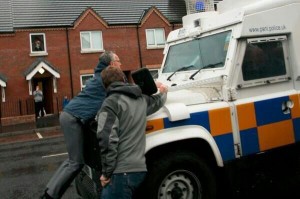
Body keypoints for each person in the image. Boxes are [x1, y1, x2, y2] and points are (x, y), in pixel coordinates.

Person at [40, 51, 122, 199]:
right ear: (111, 64)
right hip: (73, 118)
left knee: (72, 160)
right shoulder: (105, 80)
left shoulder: (99, 77)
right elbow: (121, 94)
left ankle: (49, 191)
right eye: (118, 60)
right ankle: (50, 196)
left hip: (70, 116)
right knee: (75, 163)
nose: (120, 63)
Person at [97, 66, 168, 199]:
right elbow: (157, 102)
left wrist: (106, 173)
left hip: (120, 173)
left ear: (104, 85)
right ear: (123, 79)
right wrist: (163, 92)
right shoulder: (140, 99)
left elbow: (107, 140)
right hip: (139, 170)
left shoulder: (110, 103)